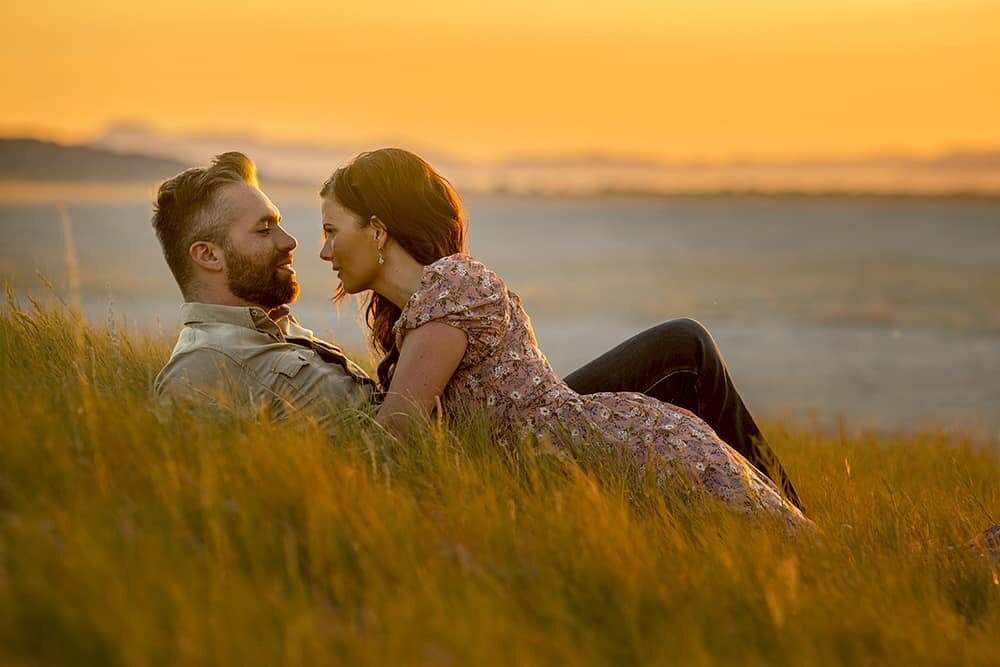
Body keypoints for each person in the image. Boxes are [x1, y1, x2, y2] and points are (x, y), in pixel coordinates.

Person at [152, 151, 802, 512]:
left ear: (379, 229)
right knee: (679, 352)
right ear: (208, 256)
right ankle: (785, 515)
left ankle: (783, 513)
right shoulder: (203, 365)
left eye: (317, 228)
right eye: (264, 229)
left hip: (493, 435)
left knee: (679, 353)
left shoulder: (273, 328)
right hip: (473, 457)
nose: (296, 241)